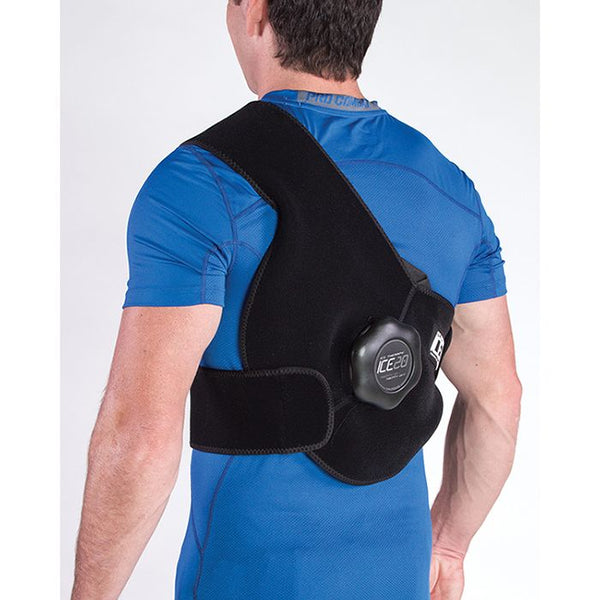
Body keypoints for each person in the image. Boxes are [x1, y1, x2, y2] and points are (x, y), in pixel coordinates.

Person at [71, 1, 522, 599]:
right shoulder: (452, 191)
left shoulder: (201, 183)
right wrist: (449, 546)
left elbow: (138, 437)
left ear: (255, 11)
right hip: (399, 579)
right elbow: (497, 398)